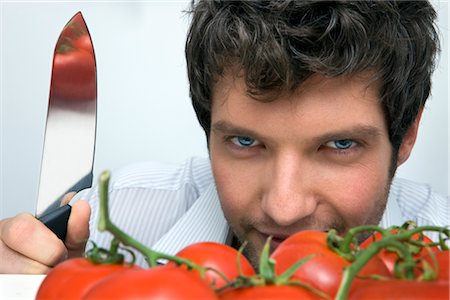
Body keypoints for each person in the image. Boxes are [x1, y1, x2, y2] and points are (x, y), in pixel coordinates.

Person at [0, 0, 448, 273]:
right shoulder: (96, 226)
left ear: (406, 136)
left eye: (341, 145)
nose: (284, 208)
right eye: (246, 143)